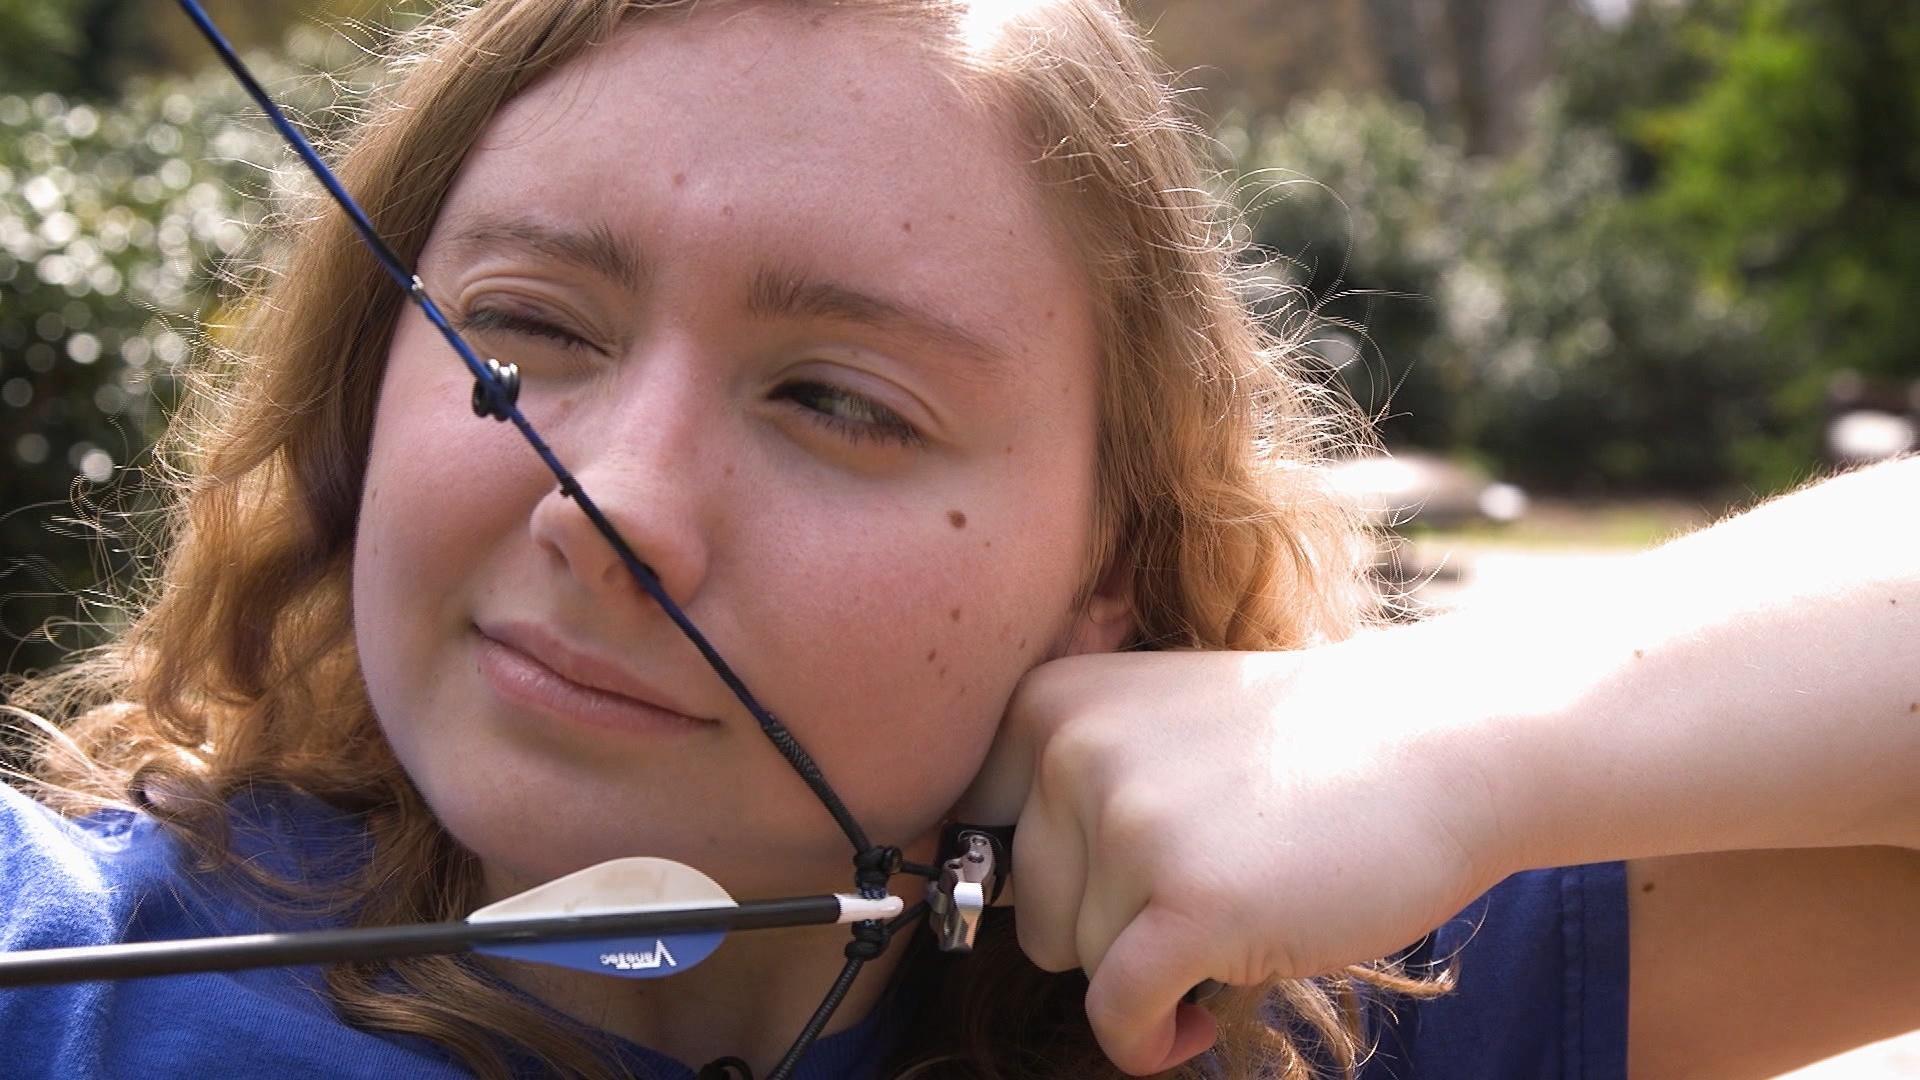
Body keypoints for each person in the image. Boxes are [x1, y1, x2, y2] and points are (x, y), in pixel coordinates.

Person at [0, 1, 1912, 1079]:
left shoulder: (1284, 1001)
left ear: (1106, 565)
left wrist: (1460, 743)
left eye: (840, 400)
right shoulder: (69, 973)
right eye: (533, 335)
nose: (620, 506)